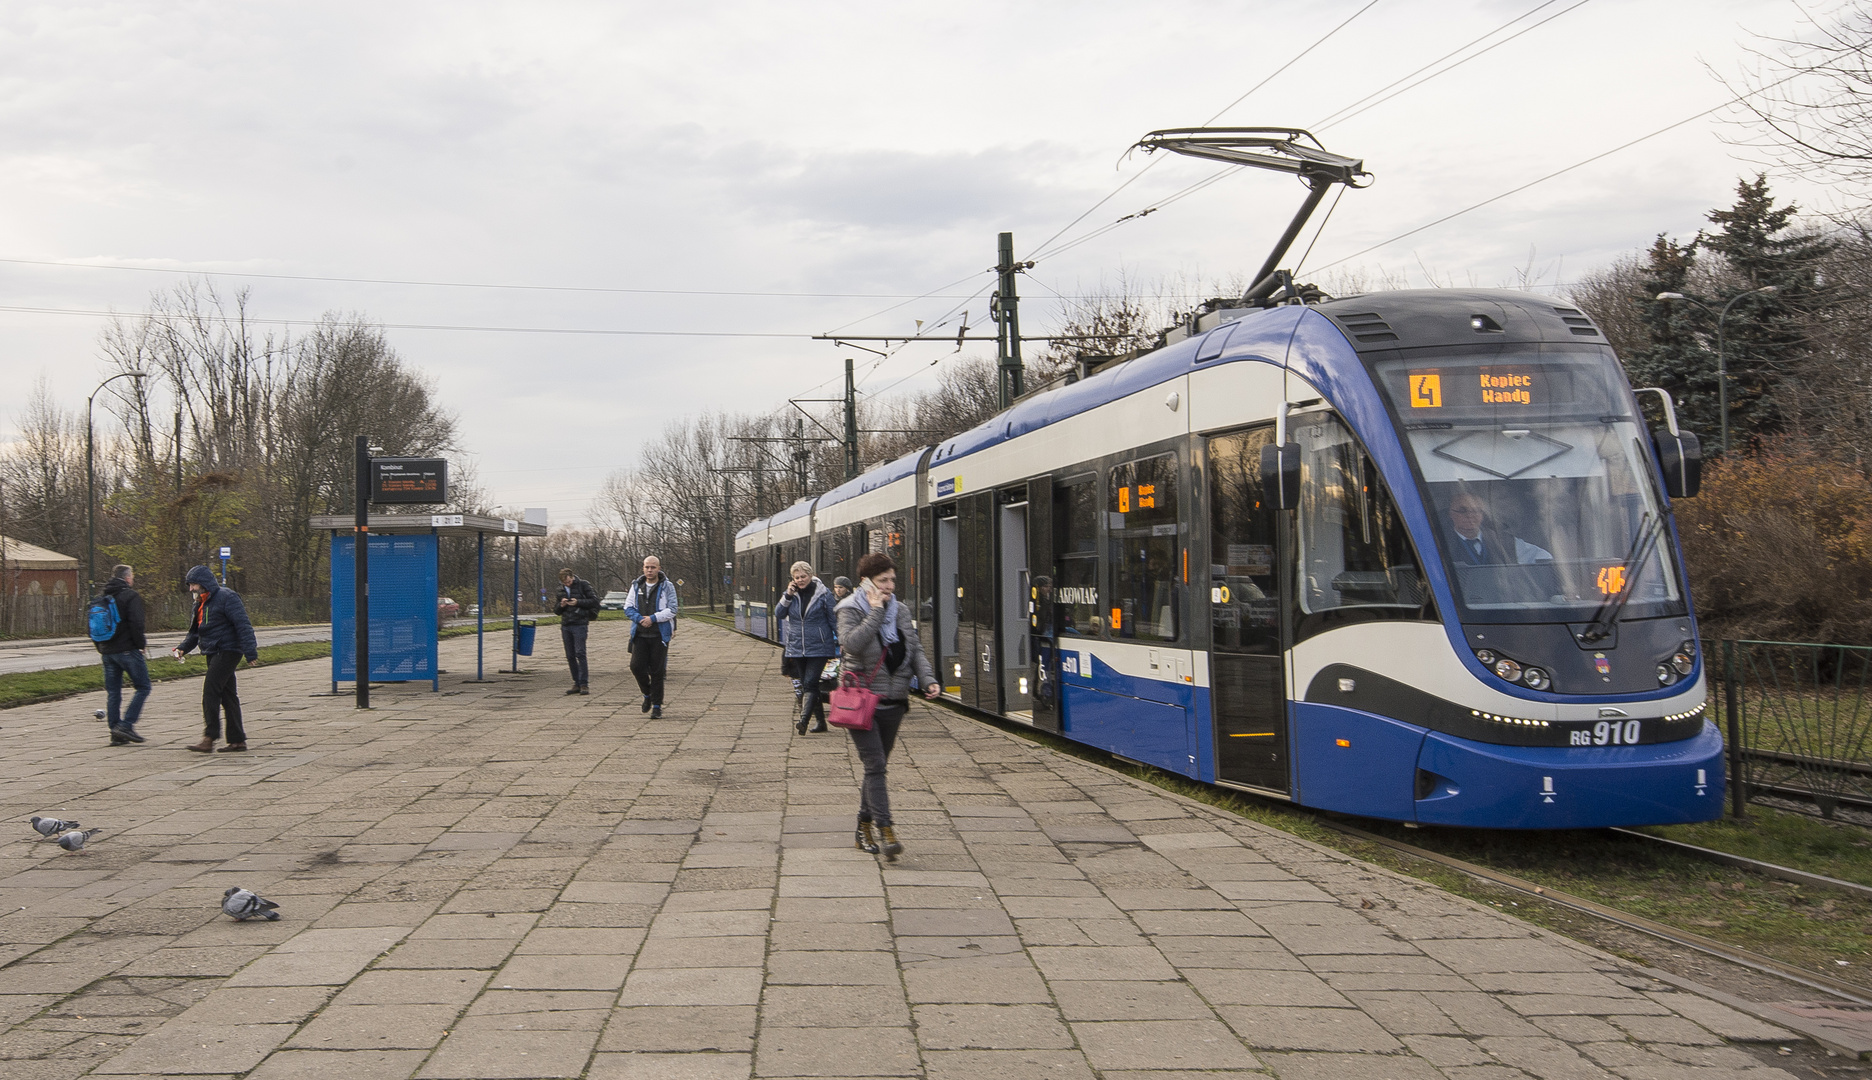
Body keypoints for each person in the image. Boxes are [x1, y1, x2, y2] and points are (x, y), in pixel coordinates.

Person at [836, 552, 939, 861]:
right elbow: (851, 643)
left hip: (894, 700)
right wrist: (876, 612)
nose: (890, 585)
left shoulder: (902, 611)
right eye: (884, 580)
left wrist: (928, 678)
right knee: (876, 765)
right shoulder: (850, 609)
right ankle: (887, 830)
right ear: (867, 582)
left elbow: (914, 647)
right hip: (862, 700)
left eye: (893, 579)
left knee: (876, 769)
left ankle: (862, 826)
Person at [173, 565, 258, 753]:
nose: (191, 589)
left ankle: (209, 737)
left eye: (193, 584)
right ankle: (237, 741)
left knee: (210, 691)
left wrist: (250, 651)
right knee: (228, 696)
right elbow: (195, 633)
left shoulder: (227, 597)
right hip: (212, 651)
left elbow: (243, 625)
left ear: (204, 583)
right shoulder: (200, 604)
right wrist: (182, 648)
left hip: (227, 650)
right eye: (189, 585)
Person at [774, 560, 837, 735]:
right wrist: (787, 595)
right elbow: (779, 613)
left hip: (820, 645)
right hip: (797, 646)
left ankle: (803, 721)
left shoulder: (824, 594)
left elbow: (833, 619)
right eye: (797, 577)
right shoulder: (791, 594)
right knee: (807, 684)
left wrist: (842, 639)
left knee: (810, 682)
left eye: (803, 576)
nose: (801, 580)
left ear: (811, 575)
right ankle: (821, 722)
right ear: (792, 579)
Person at [93, 564, 150, 746]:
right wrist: (141, 645)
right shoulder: (130, 596)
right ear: (127, 578)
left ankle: (115, 732)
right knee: (143, 686)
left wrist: (101, 647)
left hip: (107, 652)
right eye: (132, 576)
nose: (133, 579)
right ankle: (126, 725)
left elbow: (93, 626)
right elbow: (136, 623)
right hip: (127, 650)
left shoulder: (101, 598)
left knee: (113, 692)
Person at [625, 556, 678, 718]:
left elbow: (673, 609)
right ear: (643, 568)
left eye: (653, 567)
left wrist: (653, 618)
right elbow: (628, 607)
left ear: (659, 568)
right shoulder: (636, 586)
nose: (650, 570)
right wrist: (640, 619)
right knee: (636, 666)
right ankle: (647, 694)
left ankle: (656, 706)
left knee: (657, 671)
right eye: (647, 567)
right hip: (640, 634)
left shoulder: (667, 586)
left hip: (659, 635)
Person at [1445, 490, 1552, 566]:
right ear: (1451, 514)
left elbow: (1544, 558)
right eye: (1462, 510)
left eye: (1476, 511)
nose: (1470, 515)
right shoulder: (1442, 543)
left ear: (1482, 515)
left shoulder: (1505, 541)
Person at [554, 568, 599, 695]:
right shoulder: (560, 590)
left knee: (580, 653)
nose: (567, 584)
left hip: (580, 623)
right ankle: (576, 682)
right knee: (570, 655)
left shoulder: (583, 585)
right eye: (564, 583)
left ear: (572, 577)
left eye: (568, 581)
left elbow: (594, 600)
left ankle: (584, 683)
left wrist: (578, 602)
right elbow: (556, 611)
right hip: (566, 624)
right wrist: (561, 605)